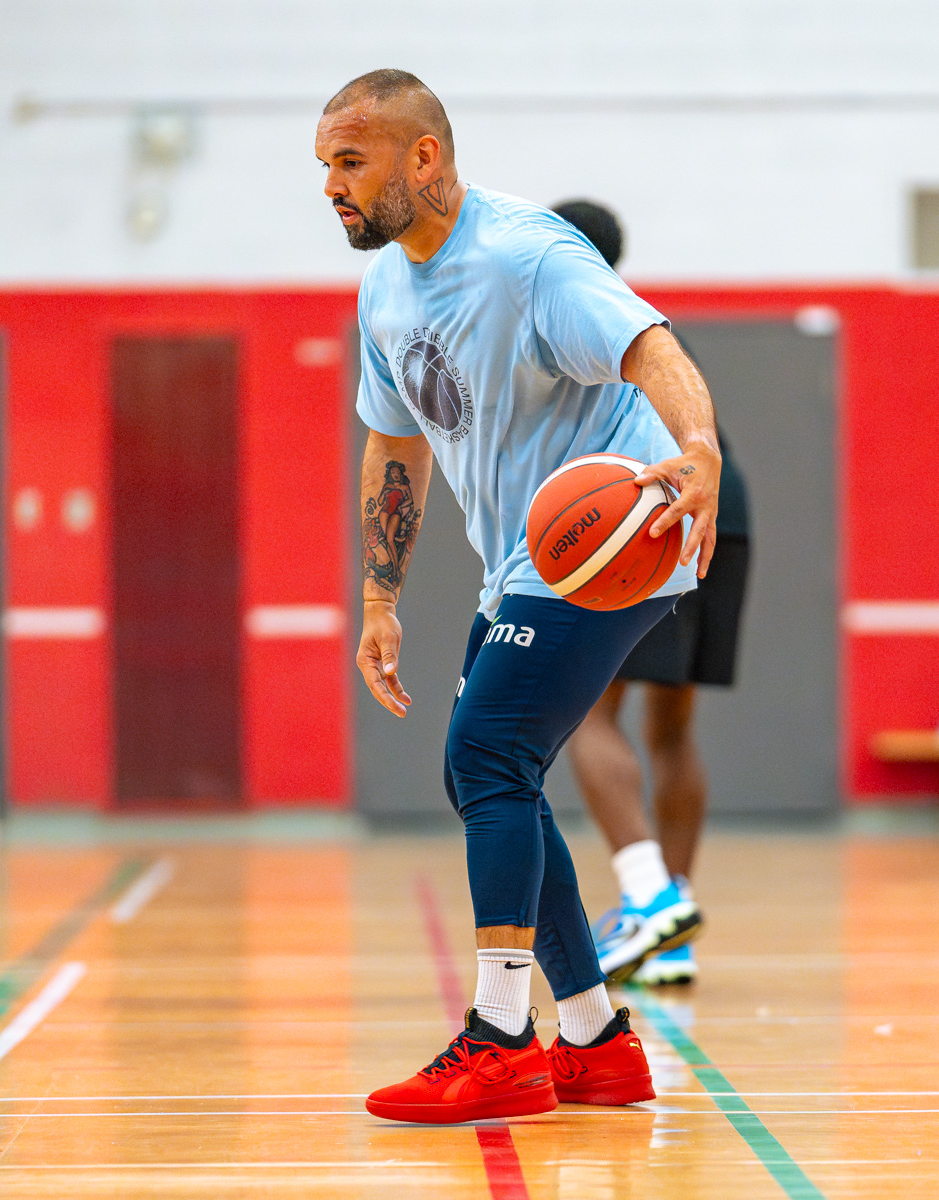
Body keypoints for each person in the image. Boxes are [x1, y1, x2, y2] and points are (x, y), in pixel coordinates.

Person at [321, 69, 721, 1125]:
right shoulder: (382, 289)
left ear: (425, 158)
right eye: (324, 167)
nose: (332, 186)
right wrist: (379, 597)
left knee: (485, 754)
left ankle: (505, 1035)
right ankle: (593, 1038)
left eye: (350, 163)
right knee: (494, 775)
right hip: (520, 562)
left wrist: (698, 446)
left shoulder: (525, 254)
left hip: (614, 536)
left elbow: (651, 346)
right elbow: (394, 442)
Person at [553, 200, 754, 988]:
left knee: (588, 713)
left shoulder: (573, 318)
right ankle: (674, 935)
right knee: (672, 727)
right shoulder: (649, 322)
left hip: (653, 508)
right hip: (723, 503)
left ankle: (650, 898)